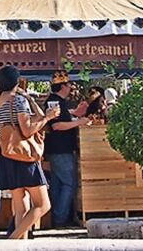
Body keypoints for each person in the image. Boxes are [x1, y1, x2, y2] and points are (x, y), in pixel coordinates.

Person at [0, 65, 60, 240]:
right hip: (25, 158)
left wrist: (1, 161)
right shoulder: (18, 101)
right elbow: (27, 130)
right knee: (43, 205)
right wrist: (47, 117)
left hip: (6, 158)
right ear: (16, 82)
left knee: (20, 207)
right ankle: (13, 239)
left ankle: (20, 245)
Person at [44, 71, 92, 228]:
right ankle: (60, 217)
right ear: (63, 86)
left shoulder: (58, 101)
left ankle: (55, 217)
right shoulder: (54, 102)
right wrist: (80, 122)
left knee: (59, 184)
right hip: (60, 149)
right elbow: (56, 125)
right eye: (69, 84)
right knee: (69, 183)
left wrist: (75, 114)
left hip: (58, 149)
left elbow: (62, 119)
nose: (71, 87)